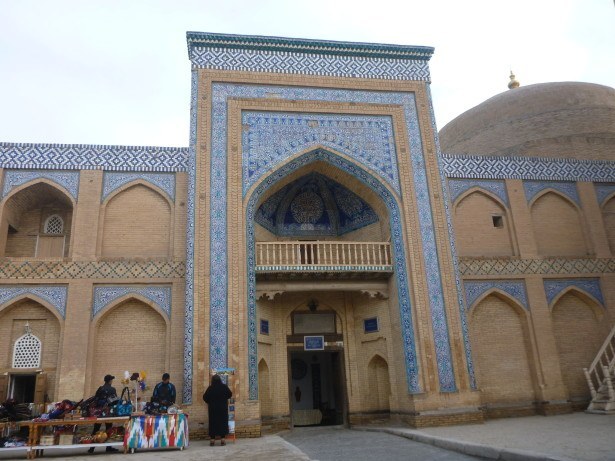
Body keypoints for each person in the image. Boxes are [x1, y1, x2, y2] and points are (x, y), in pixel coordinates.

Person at [88, 374, 118, 454]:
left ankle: (91, 448)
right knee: (108, 429)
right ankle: (108, 447)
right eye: (111, 380)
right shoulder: (112, 389)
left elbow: (95, 399)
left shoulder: (100, 389)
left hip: (99, 412)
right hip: (108, 412)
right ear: (110, 381)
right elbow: (115, 401)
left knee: (96, 429)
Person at [203, 374, 232, 446]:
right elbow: (230, 394)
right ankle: (222, 439)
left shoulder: (210, 388)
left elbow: (205, 397)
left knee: (213, 423)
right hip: (222, 408)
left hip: (213, 409)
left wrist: (210, 402)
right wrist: (224, 399)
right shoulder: (224, 387)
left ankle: (212, 440)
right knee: (222, 423)